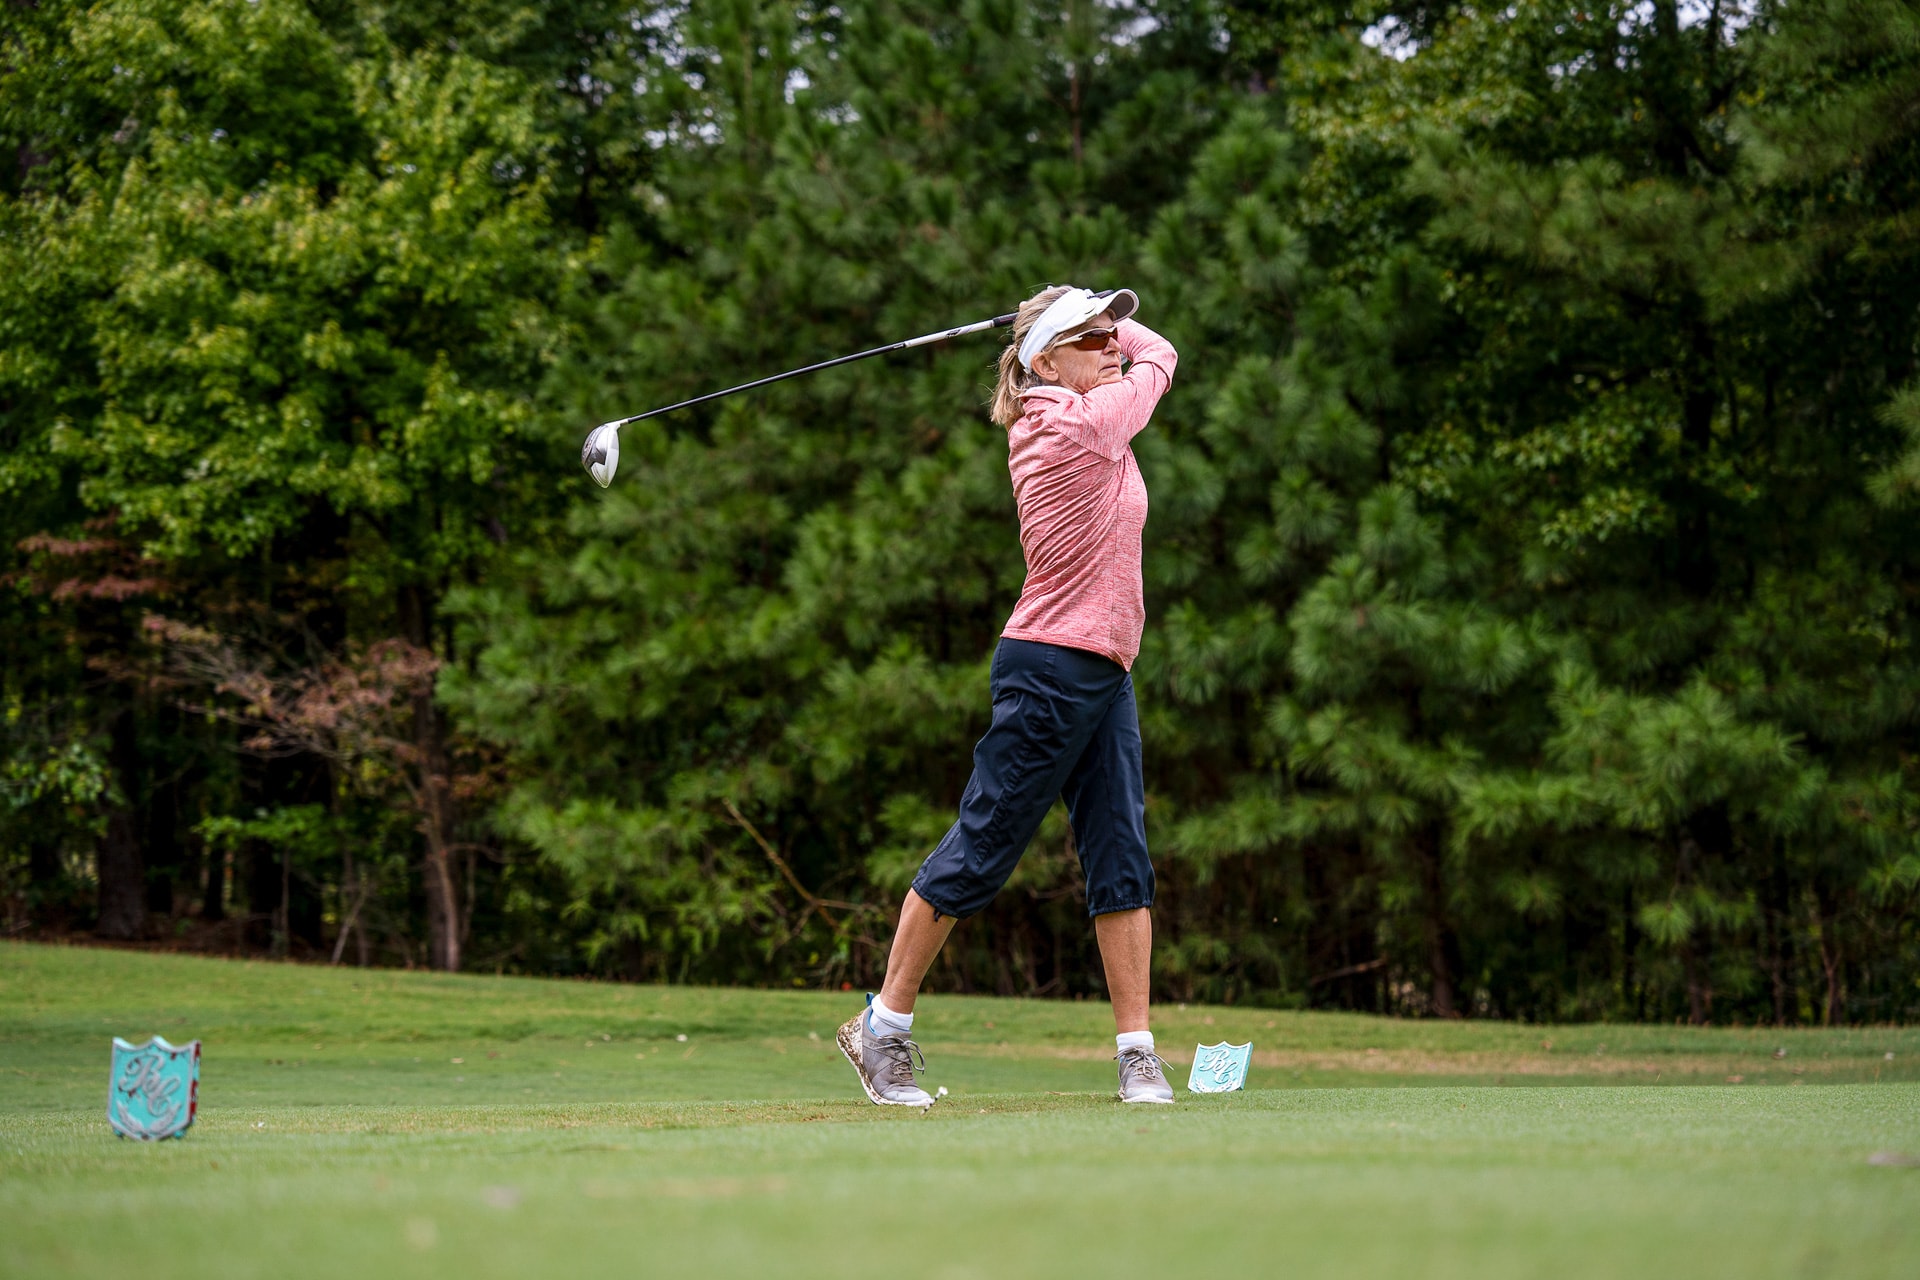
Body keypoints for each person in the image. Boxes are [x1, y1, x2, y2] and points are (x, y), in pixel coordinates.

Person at [837, 283, 1180, 1107]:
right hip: (1049, 668)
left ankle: (1137, 1055)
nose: (1112, 345)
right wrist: (1097, 326)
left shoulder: (1086, 407)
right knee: (984, 845)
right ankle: (882, 1027)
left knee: (1122, 857)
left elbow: (1135, 349)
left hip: (1107, 670)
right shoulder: (1069, 425)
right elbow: (1161, 353)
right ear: (1045, 363)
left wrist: (1080, 314)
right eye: (1091, 338)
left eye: (1111, 333)